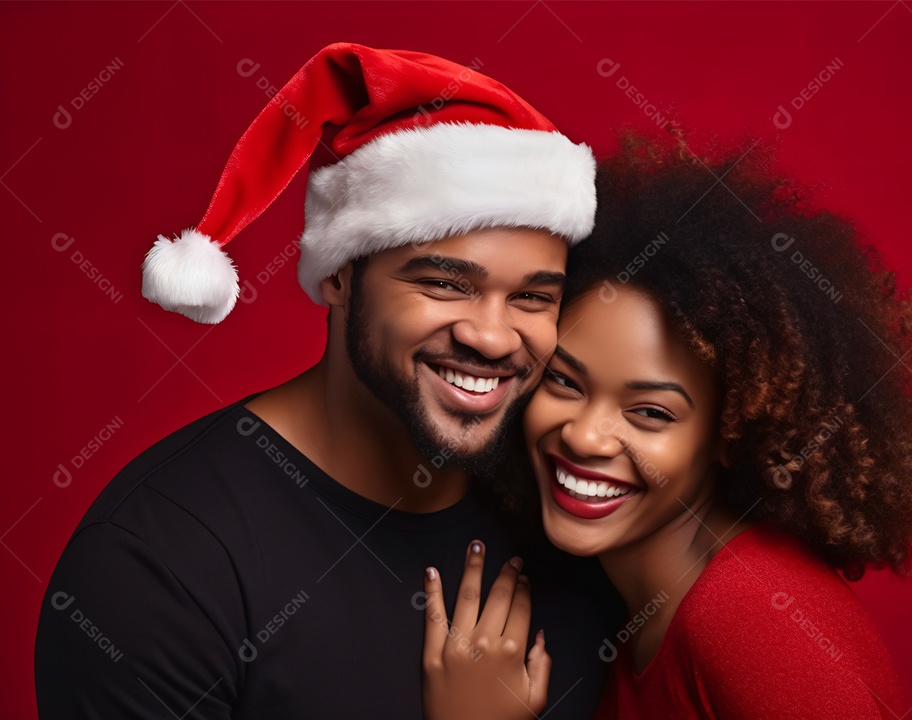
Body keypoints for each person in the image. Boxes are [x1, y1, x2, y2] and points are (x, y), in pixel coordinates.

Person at [35, 42, 623, 719]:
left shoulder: (577, 509)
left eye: (532, 297)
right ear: (341, 274)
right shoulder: (158, 566)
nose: (491, 337)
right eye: (443, 283)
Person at [421, 132, 912, 718]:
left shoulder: (752, 618)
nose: (583, 436)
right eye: (565, 382)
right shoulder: (632, 606)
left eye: (650, 413)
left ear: (730, 435)